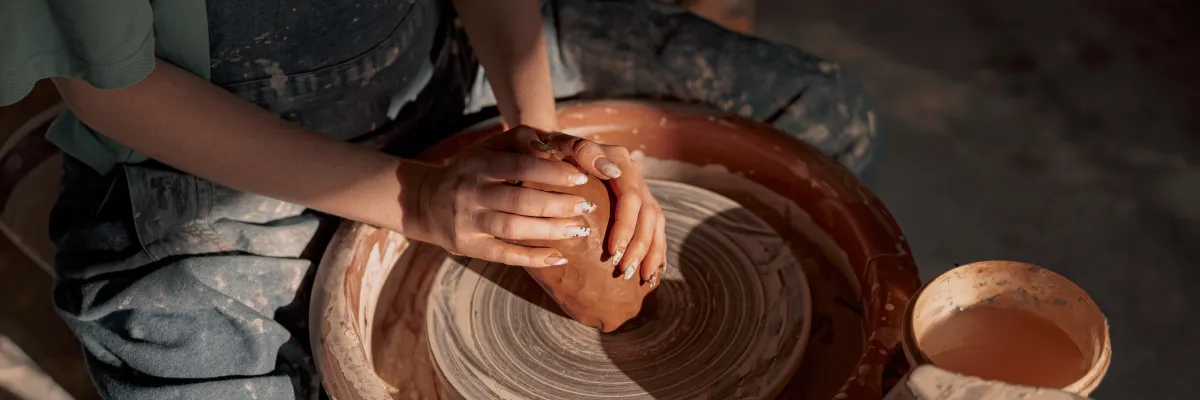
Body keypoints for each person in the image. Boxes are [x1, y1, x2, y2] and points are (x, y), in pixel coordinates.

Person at [1, 0, 877, 398]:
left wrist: (538, 139)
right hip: (218, 156)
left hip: (452, 66)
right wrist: (420, 204)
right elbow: (110, 87)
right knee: (189, 354)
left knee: (820, 118)